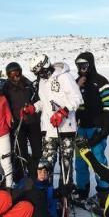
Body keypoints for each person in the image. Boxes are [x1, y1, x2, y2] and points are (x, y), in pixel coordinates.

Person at [32, 55, 83, 191]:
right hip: (49, 128)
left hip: (66, 127)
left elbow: (77, 98)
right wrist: (35, 107)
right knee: (47, 161)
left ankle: (65, 192)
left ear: (47, 66)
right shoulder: (42, 81)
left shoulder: (64, 77)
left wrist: (63, 112)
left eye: (42, 71)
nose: (41, 75)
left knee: (65, 161)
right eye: (38, 73)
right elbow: (45, 102)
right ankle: (46, 191)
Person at [73, 52, 109, 201]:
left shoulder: (101, 81)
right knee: (80, 161)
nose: (82, 68)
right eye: (79, 65)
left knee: (98, 161)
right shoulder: (77, 82)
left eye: (84, 65)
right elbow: (73, 104)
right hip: (81, 129)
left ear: (90, 64)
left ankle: (104, 191)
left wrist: (105, 127)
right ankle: (82, 189)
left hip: (96, 128)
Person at [1, 61, 42, 181]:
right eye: (12, 75)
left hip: (33, 122)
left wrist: (33, 109)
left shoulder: (28, 84)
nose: (15, 77)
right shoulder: (6, 88)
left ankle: (36, 176)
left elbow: (38, 101)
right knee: (20, 151)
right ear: (8, 76)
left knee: (37, 150)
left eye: (17, 74)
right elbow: (4, 106)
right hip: (18, 124)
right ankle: (20, 178)